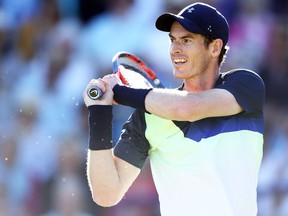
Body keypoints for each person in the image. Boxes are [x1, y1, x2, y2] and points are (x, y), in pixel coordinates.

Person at [83, 2, 265, 216]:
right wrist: (99, 113)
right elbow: (106, 194)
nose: (175, 49)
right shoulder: (149, 114)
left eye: (186, 40)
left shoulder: (246, 84)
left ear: (215, 47)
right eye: (172, 40)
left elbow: (188, 107)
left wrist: (120, 93)